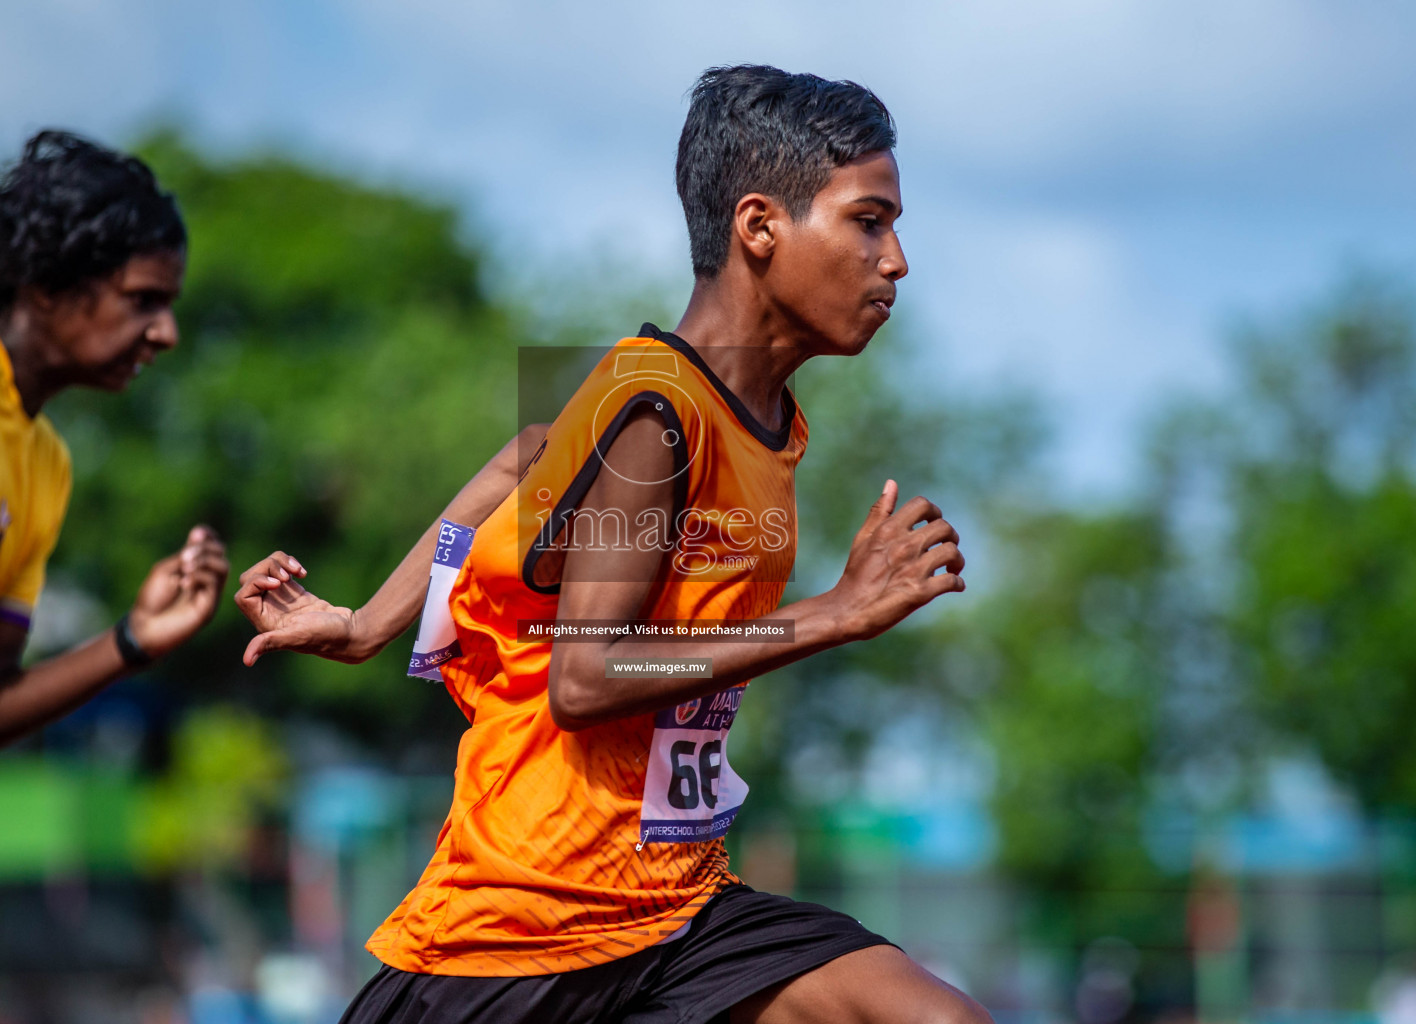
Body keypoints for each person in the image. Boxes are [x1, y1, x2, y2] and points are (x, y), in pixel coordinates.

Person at [238, 65, 990, 1024]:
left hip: (674, 910)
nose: (897, 261)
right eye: (869, 221)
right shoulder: (658, 408)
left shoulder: (749, 412)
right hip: (515, 937)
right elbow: (583, 679)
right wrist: (830, 616)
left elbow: (518, 464)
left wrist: (367, 623)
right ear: (760, 227)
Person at [0, 130, 229, 1023]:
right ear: (49, 284)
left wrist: (129, 643)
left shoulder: (43, 469)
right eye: (143, 300)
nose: (167, 331)